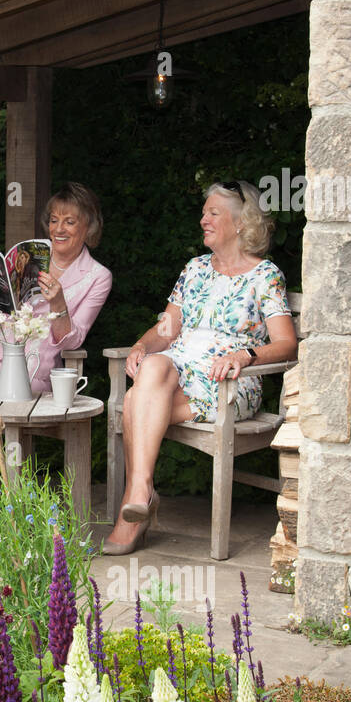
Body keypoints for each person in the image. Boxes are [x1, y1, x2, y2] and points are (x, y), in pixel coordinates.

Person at [103, 180, 298, 556]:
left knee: (134, 402)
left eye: (213, 213)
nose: (203, 219)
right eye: (204, 212)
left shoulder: (265, 276)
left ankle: (135, 505)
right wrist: (143, 346)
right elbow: (167, 330)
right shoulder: (194, 269)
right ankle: (141, 491)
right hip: (178, 368)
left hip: (227, 379)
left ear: (241, 223)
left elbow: (287, 343)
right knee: (155, 364)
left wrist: (247, 356)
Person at [0, 182, 113, 396]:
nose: (59, 229)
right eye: (54, 220)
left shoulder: (98, 276)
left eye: (69, 222)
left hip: (33, 364)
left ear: (89, 227)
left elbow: (73, 342)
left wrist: (58, 303)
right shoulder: (31, 250)